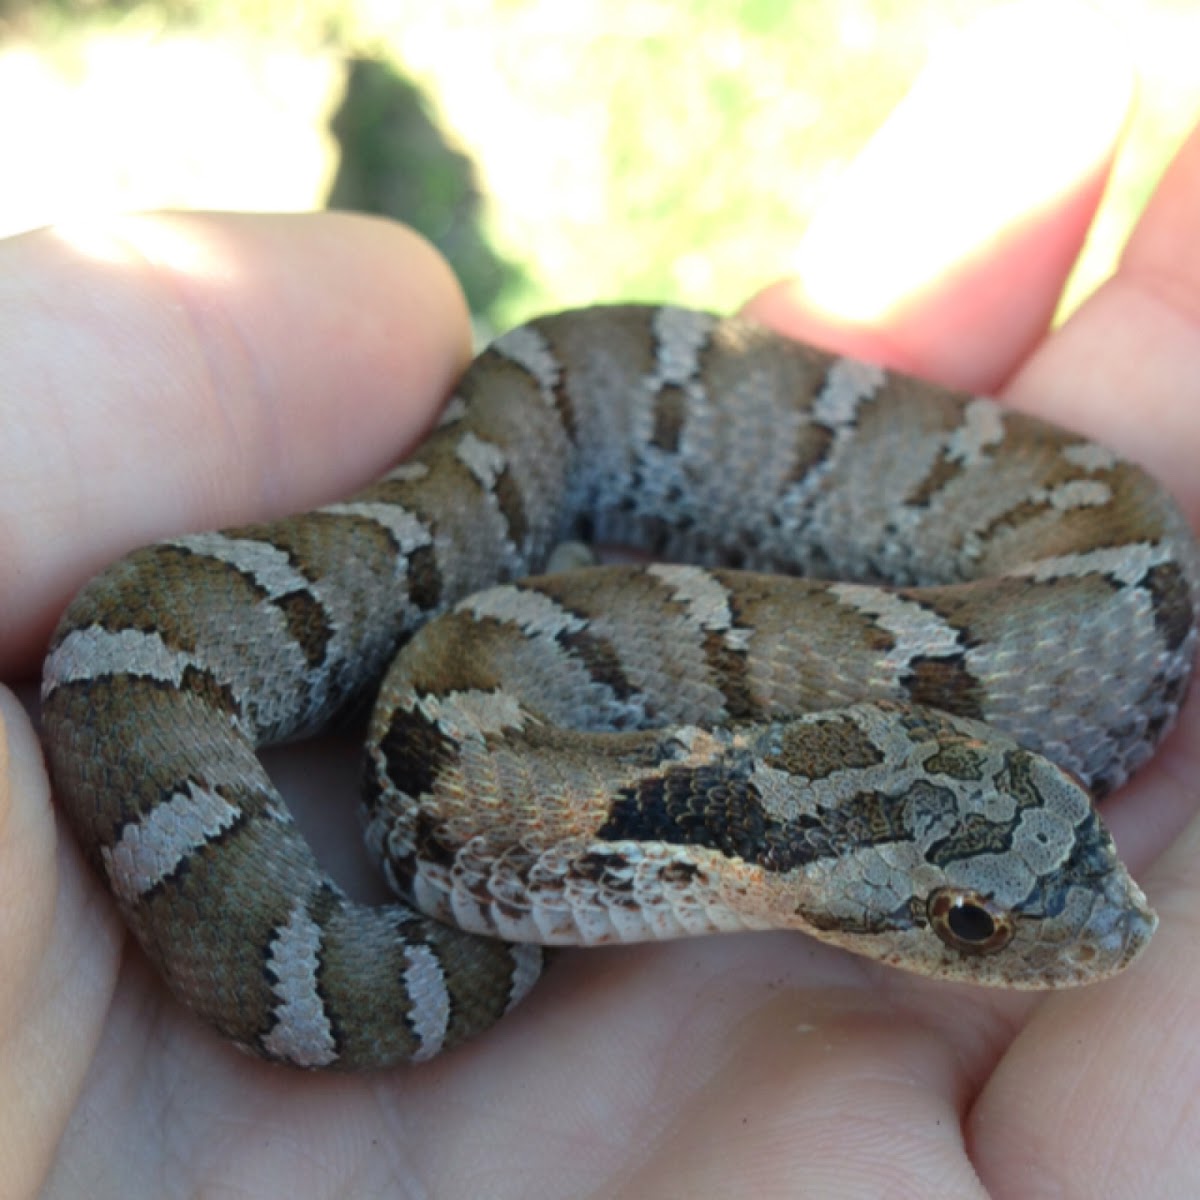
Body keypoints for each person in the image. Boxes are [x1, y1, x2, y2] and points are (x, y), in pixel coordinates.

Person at [4, 15, 1198, 1200]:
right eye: (970, 922)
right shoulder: (552, 779)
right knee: (149, 661)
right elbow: (146, 679)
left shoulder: (626, 780)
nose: (1109, 928)